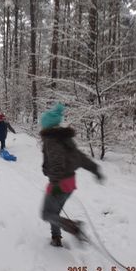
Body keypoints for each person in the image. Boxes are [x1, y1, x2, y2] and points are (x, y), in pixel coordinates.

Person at [40, 103, 104, 247]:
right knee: (54, 212)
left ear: (47, 126)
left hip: (59, 184)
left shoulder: (51, 141)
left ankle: (74, 227)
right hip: (70, 184)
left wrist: (55, 184)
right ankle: (56, 239)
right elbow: (79, 157)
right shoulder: (64, 139)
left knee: (46, 213)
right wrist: (94, 169)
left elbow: (56, 163)